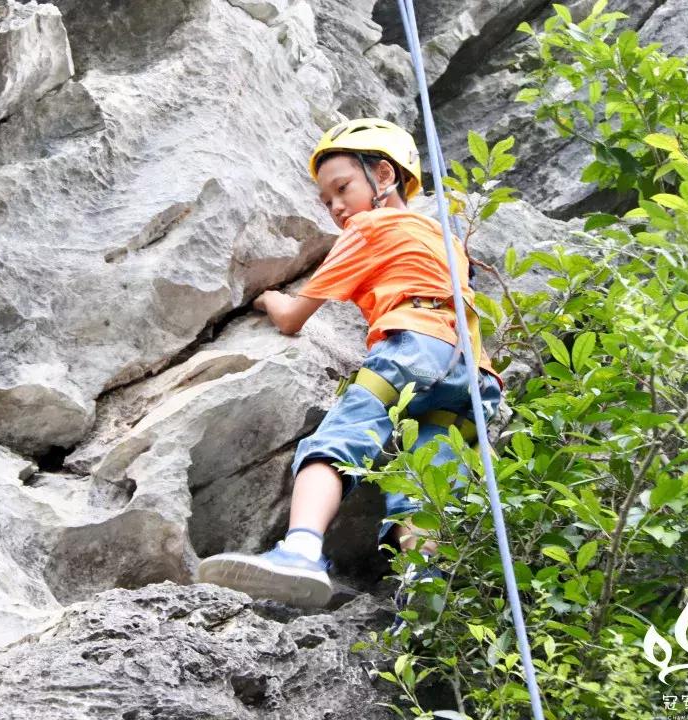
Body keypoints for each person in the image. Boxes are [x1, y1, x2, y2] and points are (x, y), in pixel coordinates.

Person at [195, 118, 504, 623]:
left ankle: (299, 549)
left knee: (339, 440)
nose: (337, 208)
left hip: (413, 349)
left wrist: (270, 297)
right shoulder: (444, 240)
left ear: (384, 175)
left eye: (343, 188)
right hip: (472, 380)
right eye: (327, 201)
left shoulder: (371, 227)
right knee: (421, 479)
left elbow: (295, 318)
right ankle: (423, 590)